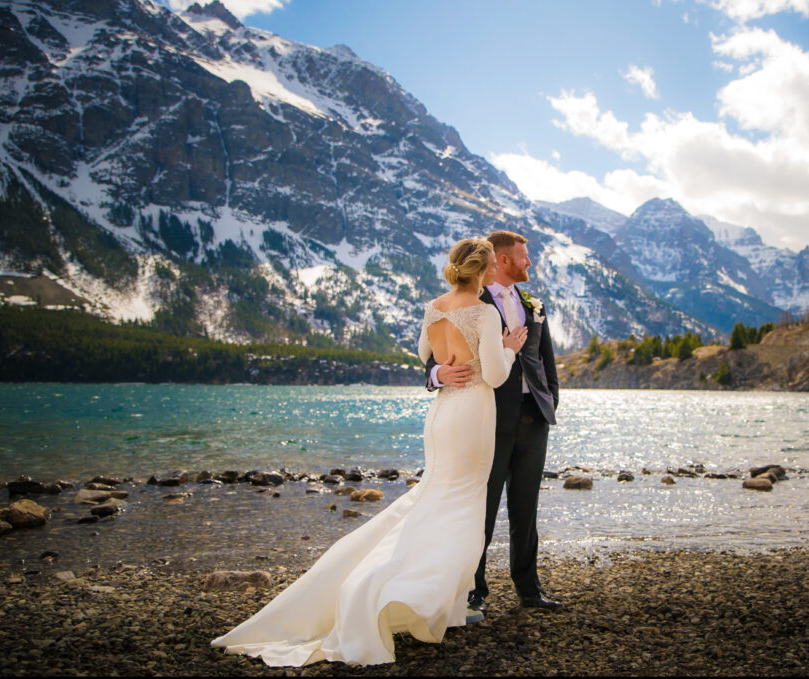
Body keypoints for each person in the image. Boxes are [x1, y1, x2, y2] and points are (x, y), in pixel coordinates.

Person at [210, 238, 527, 667]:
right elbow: (492, 374)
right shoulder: (485, 312)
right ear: (482, 269)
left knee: (435, 498)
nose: (493, 274)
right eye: (490, 267)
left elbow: (423, 355)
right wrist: (509, 348)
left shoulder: (434, 307)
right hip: (472, 414)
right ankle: (406, 595)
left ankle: (441, 604)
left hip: (442, 415)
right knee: (464, 506)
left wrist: (438, 370)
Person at [426, 229, 561, 615]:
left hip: (534, 418)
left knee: (526, 508)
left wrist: (550, 399)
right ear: (502, 260)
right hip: (486, 419)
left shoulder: (533, 303)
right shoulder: (470, 301)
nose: (529, 263)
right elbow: (431, 359)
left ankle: (529, 588)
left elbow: (545, 359)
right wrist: (438, 376)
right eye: (523, 256)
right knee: (479, 506)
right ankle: (473, 588)